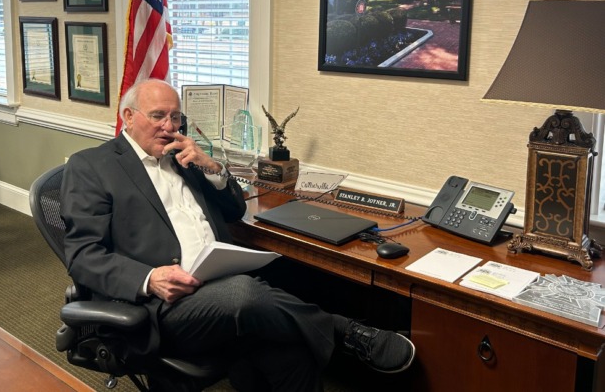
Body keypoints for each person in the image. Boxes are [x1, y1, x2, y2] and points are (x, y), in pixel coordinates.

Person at [61, 79, 415, 391]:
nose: (169, 126)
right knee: (245, 292)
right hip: (161, 304)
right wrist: (150, 278)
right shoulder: (91, 166)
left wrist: (212, 168)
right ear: (128, 117)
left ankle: (327, 335)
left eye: (175, 117)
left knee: (293, 348)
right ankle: (343, 331)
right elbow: (82, 256)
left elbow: (234, 211)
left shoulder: (184, 158)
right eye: (157, 116)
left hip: (218, 281)